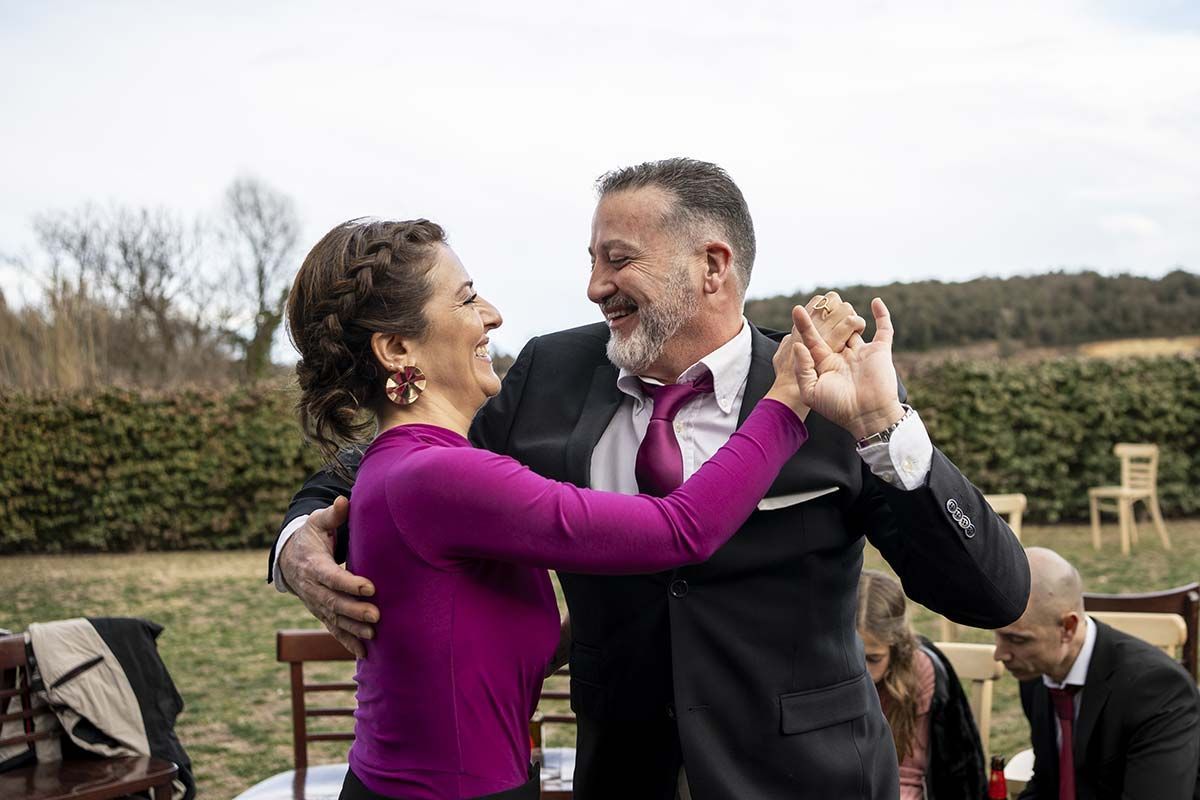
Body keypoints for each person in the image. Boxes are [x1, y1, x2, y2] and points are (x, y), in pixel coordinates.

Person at [271, 158, 1031, 799]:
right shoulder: (547, 375)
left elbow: (991, 594)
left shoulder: (824, 386)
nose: (595, 286)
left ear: (712, 265)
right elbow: (389, 463)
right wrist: (299, 539)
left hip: (805, 775)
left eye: (618, 258)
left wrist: (884, 426)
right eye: (591, 260)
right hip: (623, 776)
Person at [286, 215, 834, 799]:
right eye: (467, 299)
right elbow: (683, 529)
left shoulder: (404, 465)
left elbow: (474, 646)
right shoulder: (439, 475)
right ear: (397, 348)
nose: (492, 315)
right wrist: (786, 399)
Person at [994, 547, 1200, 800]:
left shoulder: (1158, 689)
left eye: (1016, 639)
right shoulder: (1037, 672)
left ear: (1068, 628)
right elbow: (1049, 783)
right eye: (1000, 636)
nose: (1000, 654)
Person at [857, 569, 987, 800]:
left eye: (874, 659)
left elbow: (909, 775)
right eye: (855, 658)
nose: (863, 672)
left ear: (896, 647)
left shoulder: (918, 673)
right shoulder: (825, 671)